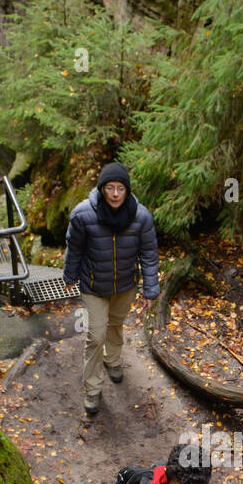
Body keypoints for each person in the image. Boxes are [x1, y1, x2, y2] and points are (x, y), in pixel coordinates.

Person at [62, 162, 160, 417]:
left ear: (126, 190)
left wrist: (150, 289)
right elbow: (75, 248)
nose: (115, 194)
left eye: (120, 188)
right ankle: (92, 388)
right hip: (94, 286)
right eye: (110, 188)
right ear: (102, 189)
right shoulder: (83, 214)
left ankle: (113, 360)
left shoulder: (141, 216)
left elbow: (148, 254)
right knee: (95, 335)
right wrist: (69, 275)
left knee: (116, 325)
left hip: (125, 286)